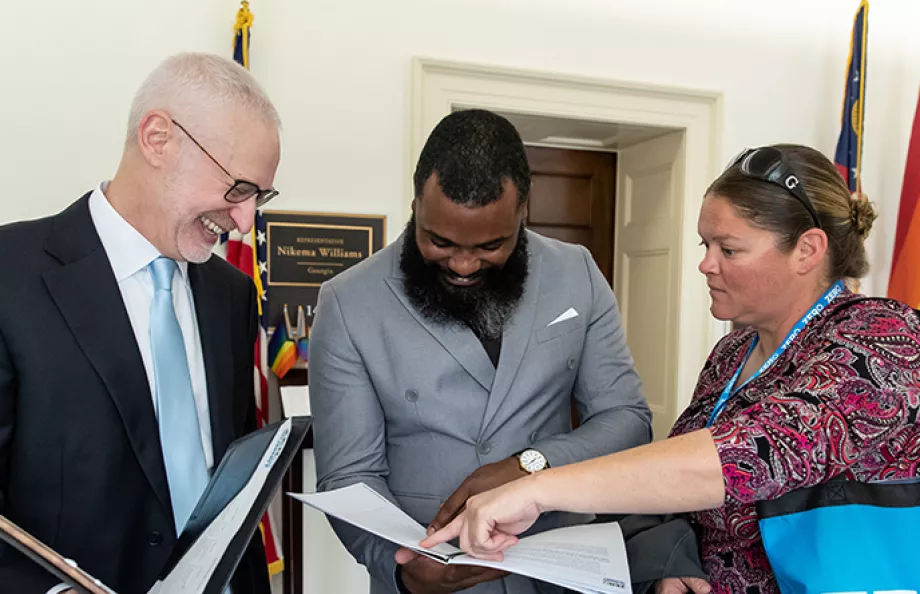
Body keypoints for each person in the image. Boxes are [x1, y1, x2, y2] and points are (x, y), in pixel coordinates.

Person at [422, 144, 920, 594]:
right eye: (705, 245)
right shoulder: (733, 353)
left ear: (808, 251)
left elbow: (752, 455)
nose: (706, 264)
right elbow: (684, 490)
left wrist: (537, 489)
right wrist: (672, 560)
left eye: (729, 249)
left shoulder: (882, 339)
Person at [309, 108, 652, 594]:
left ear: (524, 212)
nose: (465, 264)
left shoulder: (576, 272)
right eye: (440, 241)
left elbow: (627, 418)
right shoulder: (348, 303)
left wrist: (530, 465)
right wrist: (401, 569)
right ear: (415, 205)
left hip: (556, 574)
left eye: (491, 245)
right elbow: (349, 476)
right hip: (428, 574)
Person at [0, 53, 281, 594]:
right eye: (238, 189)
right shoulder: (10, 278)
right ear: (158, 139)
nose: (246, 220)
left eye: (259, 197)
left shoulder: (232, 294)